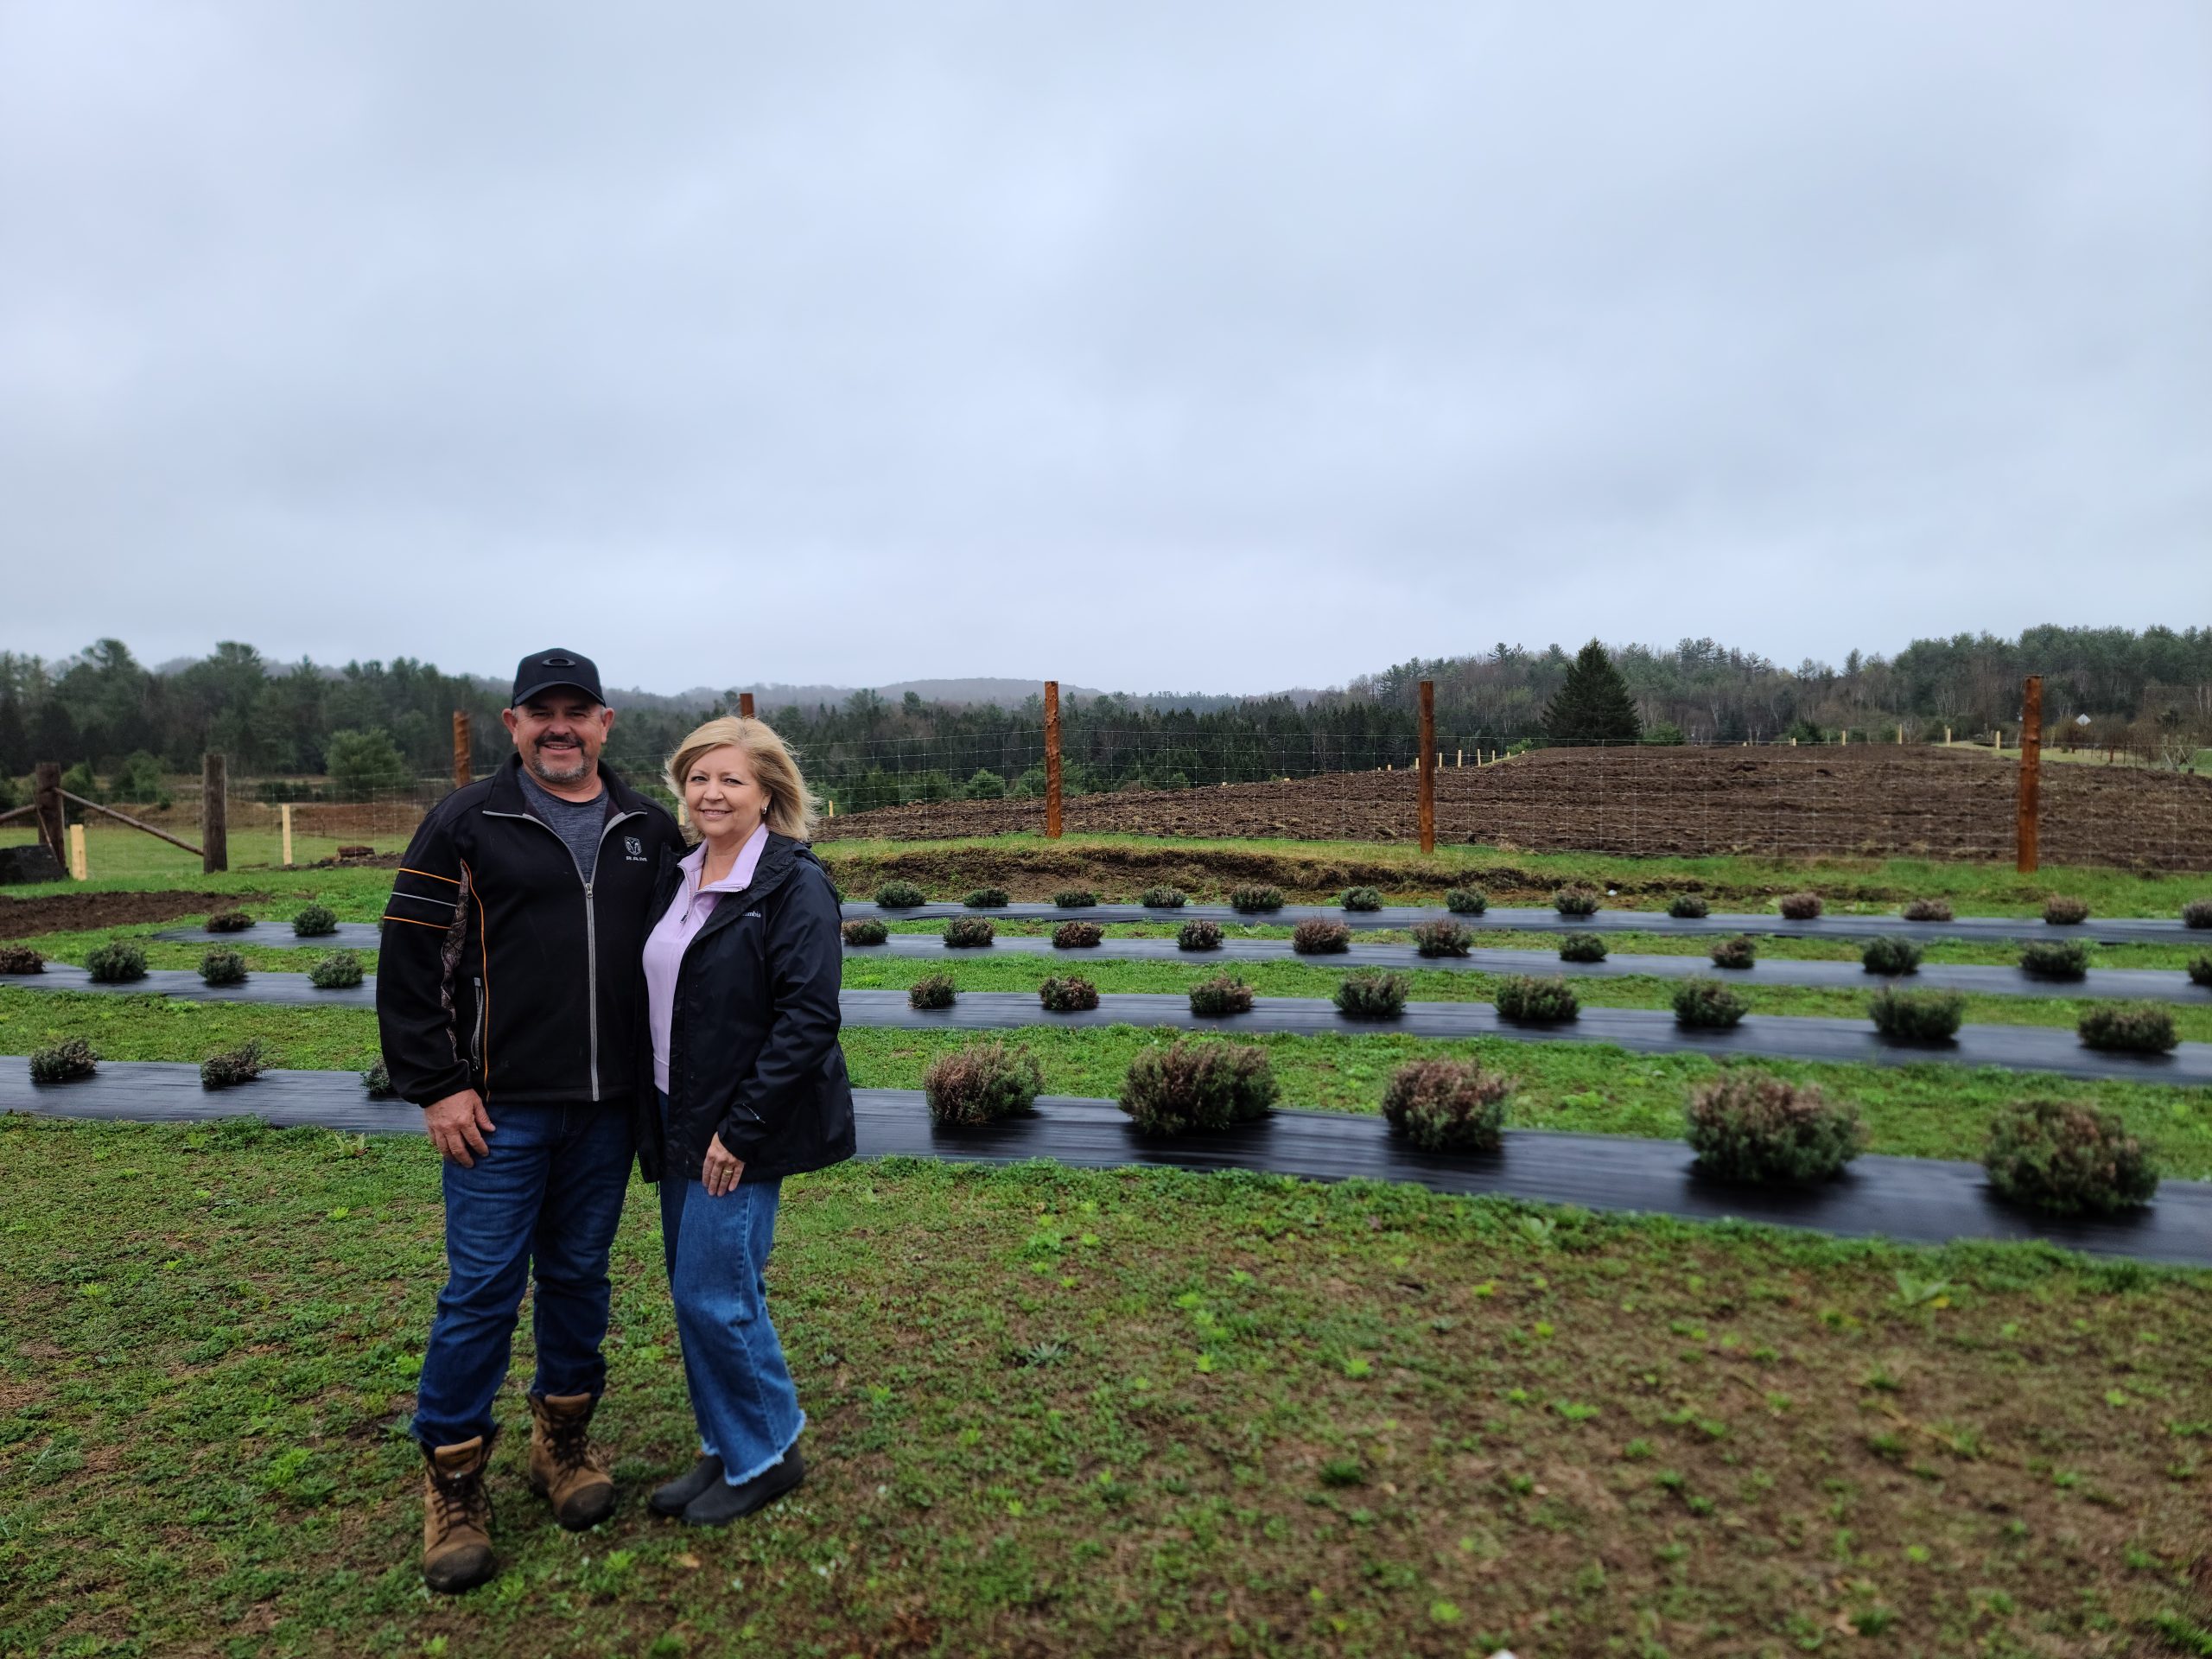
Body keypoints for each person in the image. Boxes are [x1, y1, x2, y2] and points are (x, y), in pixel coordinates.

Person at [377, 648, 684, 1593]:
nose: (559, 727)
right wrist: (438, 1086)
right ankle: (454, 1480)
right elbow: (408, 959)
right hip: (496, 1111)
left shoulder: (647, 827)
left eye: (576, 712)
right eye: (539, 712)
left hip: (606, 1110)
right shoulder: (466, 822)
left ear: (605, 723)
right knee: (481, 1290)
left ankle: (562, 1444)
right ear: (512, 725)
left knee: (579, 1277)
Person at [636, 715, 855, 1526]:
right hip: (673, 1107)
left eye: (732, 779)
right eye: (698, 777)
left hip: (738, 1121)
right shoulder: (679, 874)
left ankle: (765, 1455)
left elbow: (808, 1018)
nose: (712, 793)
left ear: (767, 794)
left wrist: (742, 1128)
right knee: (702, 1286)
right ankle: (726, 1441)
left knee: (713, 1292)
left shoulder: (793, 883)